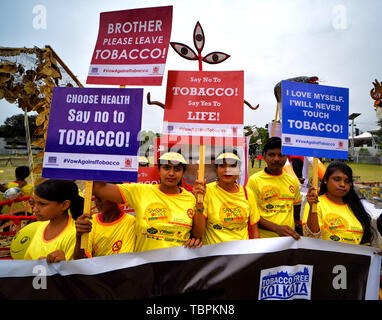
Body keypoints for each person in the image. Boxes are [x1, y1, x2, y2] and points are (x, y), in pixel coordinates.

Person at [92, 151, 203, 252]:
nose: (171, 173)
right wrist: (105, 155)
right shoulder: (140, 191)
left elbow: (198, 234)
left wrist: (199, 203)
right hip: (146, 268)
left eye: (177, 169)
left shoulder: (190, 199)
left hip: (177, 269)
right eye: (167, 167)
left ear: (183, 172)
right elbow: (98, 189)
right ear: (158, 170)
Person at [192, 150, 260, 245]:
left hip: (242, 256)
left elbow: (254, 229)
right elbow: (198, 233)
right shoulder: (207, 191)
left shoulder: (248, 193)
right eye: (222, 165)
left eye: (233, 165)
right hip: (214, 256)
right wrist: (199, 202)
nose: (227, 169)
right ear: (216, 169)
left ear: (239, 170)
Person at [303, 162, 375, 245]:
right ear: (325, 180)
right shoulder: (315, 204)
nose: (342, 184)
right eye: (337, 179)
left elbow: (365, 242)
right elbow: (312, 238)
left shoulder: (356, 207)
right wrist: (312, 208)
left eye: (347, 181)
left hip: (354, 257)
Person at [246, 137, 301, 240]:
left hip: (288, 241)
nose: (276, 159)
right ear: (264, 157)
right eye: (272, 155)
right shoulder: (254, 180)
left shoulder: (292, 180)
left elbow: (296, 206)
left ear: (286, 157)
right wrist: (276, 228)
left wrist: (295, 225)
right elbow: (251, 215)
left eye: (280, 155)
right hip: (264, 241)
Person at [24, 179, 84, 263]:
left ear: (64, 205)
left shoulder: (75, 233)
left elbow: (78, 268)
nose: (35, 209)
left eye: (42, 204)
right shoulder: (42, 226)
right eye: (34, 203)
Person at [74, 189, 136, 259]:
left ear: (116, 197)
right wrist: (79, 237)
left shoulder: (130, 221)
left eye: (101, 196)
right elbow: (81, 259)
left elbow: (125, 258)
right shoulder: (91, 221)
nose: (97, 201)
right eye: (95, 197)